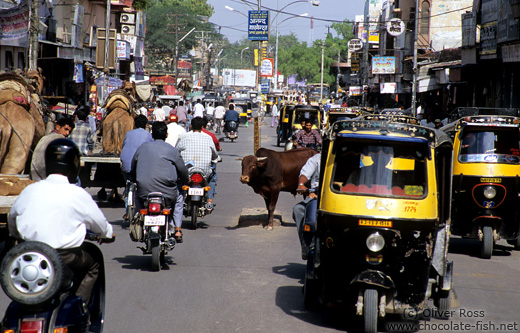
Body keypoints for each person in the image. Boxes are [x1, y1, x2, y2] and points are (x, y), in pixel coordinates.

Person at [9, 138, 115, 304]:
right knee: (94, 261)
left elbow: (12, 218)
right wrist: (107, 233)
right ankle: (80, 306)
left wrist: (15, 235)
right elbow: (100, 224)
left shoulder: (30, 190)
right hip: (64, 256)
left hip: (28, 254)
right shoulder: (77, 194)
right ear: (73, 166)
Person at [131, 122, 188, 242]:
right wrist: (185, 181)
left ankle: (137, 221)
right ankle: (177, 229)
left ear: (152, 134)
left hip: (144, 192)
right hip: (168, 193)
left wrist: (133, 179)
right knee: (179, 198)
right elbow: (182, 170)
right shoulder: (172, 150)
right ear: (166, 135)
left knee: (137, 197)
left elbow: (133, 167)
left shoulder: (142, 148)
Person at [176, 117, 219, 210]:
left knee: (178, 180)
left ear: (191, 126)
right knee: (213, 177)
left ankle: (178, 199)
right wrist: (216, 158)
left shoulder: (184, 136)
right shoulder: (208, 137)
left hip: (187, 171)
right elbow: (215, 154)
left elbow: (176, 151)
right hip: (204, 171)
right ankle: (209, 201)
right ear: (202, 127)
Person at [120, 115, 153, 220]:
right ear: (146, 125)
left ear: (134, 124)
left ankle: (127, 211)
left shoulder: (128, 134)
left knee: (128, 185)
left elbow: (123, 146)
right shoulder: (148, 135)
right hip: (140, 167)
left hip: (126, 165)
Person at [293, 153, 321, 260]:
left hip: (338, 196)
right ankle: (306, 245)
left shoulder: (349, 158)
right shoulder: (317, 158)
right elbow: (305, 174)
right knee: (298, 209)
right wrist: (301, 184)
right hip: (315, 195)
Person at [31, 117, 75, 181]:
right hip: (47, 177)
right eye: (66, 129)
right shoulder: (60, 138)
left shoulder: (44, 138)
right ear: (58, 127)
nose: (67, 133)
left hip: (35, 176)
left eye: (69, 131)